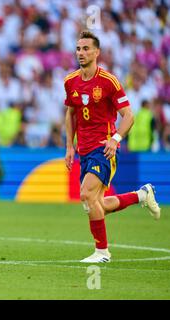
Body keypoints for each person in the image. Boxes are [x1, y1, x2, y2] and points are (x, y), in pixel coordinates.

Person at [64, 31, 161, 263]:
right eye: (78, 49)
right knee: (96, 204)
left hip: (104, 148)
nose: (81, 53)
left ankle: (102, 252)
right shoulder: (70, 81)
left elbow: (128, 115)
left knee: (86, 195)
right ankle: (141, 195)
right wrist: (69, 146)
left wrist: (115, 139)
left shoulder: (108, 81)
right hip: (84, 150)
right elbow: (71, 114)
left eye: (86, 49)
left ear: (97, 52)